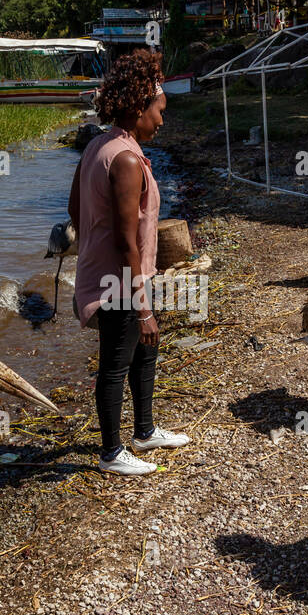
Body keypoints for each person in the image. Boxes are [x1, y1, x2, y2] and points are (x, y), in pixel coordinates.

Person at [69, 49, 190, 476]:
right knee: (117, 362)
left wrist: (91, 248)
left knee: (144, 353)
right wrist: (142, 307)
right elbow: (125, 242)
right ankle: (111, 452)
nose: (162, 120)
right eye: (159, 111)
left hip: (117, 274)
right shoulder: (124, 158)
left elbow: (74, 209)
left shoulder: (101, 145)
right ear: (139, 108)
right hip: (118, 280)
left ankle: (144, 431)